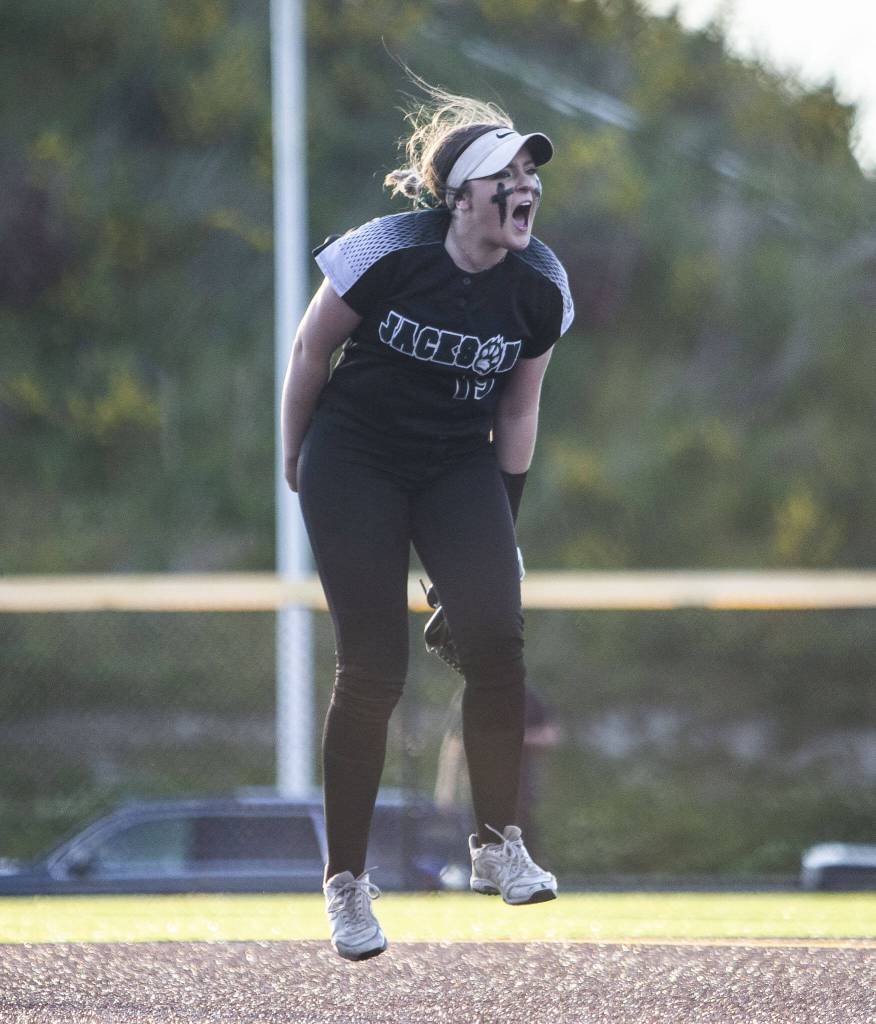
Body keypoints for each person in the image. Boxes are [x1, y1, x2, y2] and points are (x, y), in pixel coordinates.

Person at [281, 80, 574, 962]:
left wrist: (499, 534)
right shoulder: (388, 252)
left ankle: (496, 843)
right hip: (356, 454)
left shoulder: (539, 286)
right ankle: (347, 887)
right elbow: (311, 347)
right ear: (459, 196)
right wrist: (295, 457)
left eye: (532, 172)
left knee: (498, 641)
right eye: (504, 175)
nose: (524, 187)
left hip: (456, 463)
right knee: (373, 669)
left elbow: (517, 414)